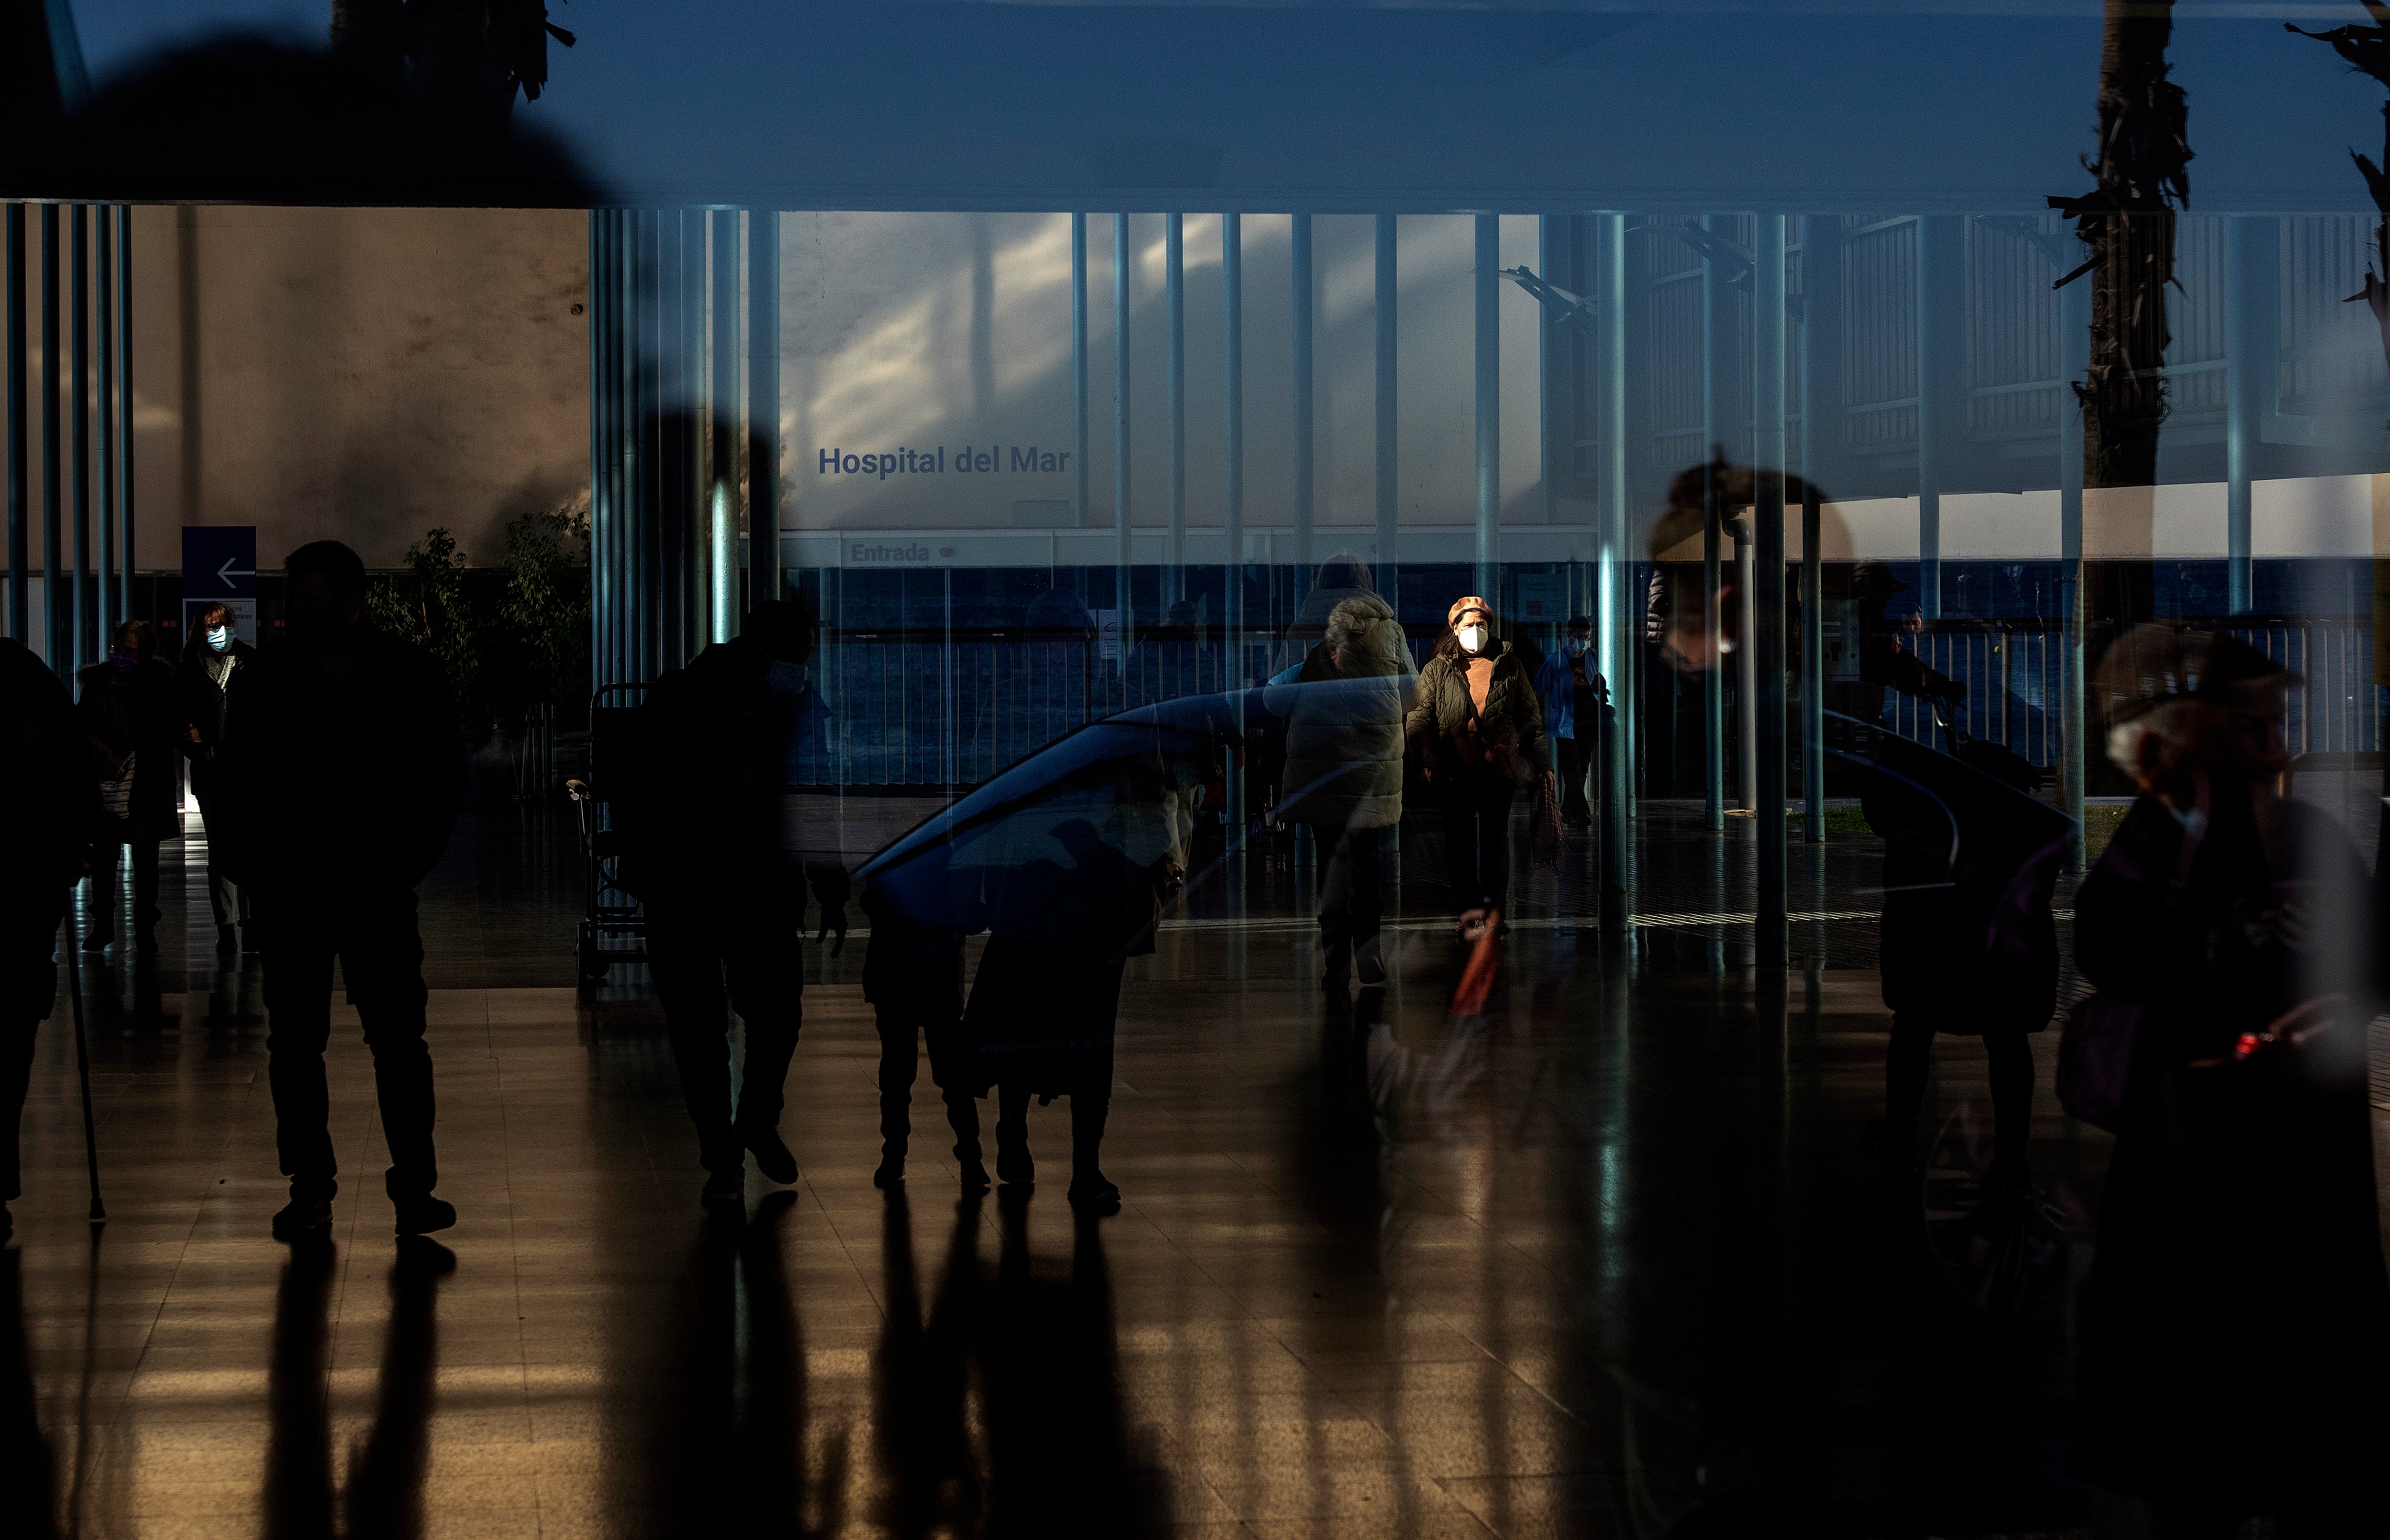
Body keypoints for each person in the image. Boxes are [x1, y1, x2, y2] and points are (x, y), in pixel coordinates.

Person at [2072, 629, 2390, 1536]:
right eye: (2250, 727)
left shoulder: (2305, 835)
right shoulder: (2167, 836)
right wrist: (2218, 945)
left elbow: (2374, 957)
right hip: (2205, 1123)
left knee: (2284, 1327)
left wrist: (2336, 999)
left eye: (2277, 724)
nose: (2275, 745)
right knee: (2203, 1328)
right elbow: (2107, 947)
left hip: (2292, 1131)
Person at [214, 540, 465, 1240]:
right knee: (348, 1044)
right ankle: (378, 1186)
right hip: (322, 884)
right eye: (294, 600)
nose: (297, 612)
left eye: (311, 601)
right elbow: (235, 779)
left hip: (348, 883)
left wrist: (400, 861)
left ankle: (341, 1188)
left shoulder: (297, 675)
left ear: (351, 603)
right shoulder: (372, 672)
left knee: (357, 1043)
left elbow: (442, 775)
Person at [612, 598, 850, 1215]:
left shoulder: (686, 695)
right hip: (735, 889)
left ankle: (725, 1151)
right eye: (794, 653)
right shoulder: (719, 699)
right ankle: (748, 1128)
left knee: (706, 1030)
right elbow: (813, 797)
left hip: (694, 890)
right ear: (758, 647)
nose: (801, 665)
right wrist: (829, 885)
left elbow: (635, 786)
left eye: (806, 654)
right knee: (766, 1017)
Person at [1267, 593, 1412, 1002]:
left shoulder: (1306, 634)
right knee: (1366, 865)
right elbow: (1413, 695)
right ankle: (1370, 955)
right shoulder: (1392, 632)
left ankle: (1336, 968)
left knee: (1331, 869)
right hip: (1372, 770)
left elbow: (1274, 700)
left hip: (1322, 769)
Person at [0, 638, 95, 1240]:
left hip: (19, 899)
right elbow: (77, 776)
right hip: (23, 900)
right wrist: (69, 855)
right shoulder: (25, 677)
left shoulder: (21, 677)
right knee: (7, 1050)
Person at [1404, 596, 1552, 924]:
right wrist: (1424, 760)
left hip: (1498, 768)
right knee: (1460, 845)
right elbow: (1420, 718)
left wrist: (1544, 764)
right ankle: (1470, 915)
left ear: (1489, 627)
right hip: (1455, 769)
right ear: (1456, 629)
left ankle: (1495, 913)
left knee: (1496, 843)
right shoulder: (1437, 669)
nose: (1475, 631)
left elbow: (1531, 718)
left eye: (1481, 625)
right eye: (1469, 625)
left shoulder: (1509, 664)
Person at [861, 878, 982, 1192]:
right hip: (940, 975)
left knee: (897, 1073)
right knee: (952, 1073)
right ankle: (970, 1155)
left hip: (893, 973)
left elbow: (872, 900)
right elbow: (970, 917)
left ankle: (894, 1154)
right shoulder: (952, 866)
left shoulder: (892, 866)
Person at [76, 620, 179, 956]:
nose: (120, 656)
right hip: (112, 782)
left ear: (146, 653)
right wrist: (106, 759)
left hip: (148, 784)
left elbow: (172, 725)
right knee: (106, 860)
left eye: (128, 651)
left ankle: (144, 928)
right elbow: (82, 729)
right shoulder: (99, 684)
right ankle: (104, 925)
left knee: (146, 863)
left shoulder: (161, 686)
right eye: (116, 649)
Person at [173, 602, 257, 953]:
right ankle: (226, 925)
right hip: (210, 769)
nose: (218, 632)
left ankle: (250, 923)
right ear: (200, 630)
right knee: (220, 852)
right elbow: (177, 716)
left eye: (222, 624)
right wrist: (191, 740)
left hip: (247, 771)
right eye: (210, 626)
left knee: (248, 849)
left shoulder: (250, 662)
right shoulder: (188, 668)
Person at [1531, 616, 1604, 830]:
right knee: (1572, 768)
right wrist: (1536, 717)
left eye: (1586, 637)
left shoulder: (1595, 658)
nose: (1582, 641)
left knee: (1582, 769)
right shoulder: (1556, 661)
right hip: (1565, 725)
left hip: (1589, 724)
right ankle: (1582, 813)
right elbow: (1539, 690)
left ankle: (1568, 812)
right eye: (1578, 637)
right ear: (1569, 635)